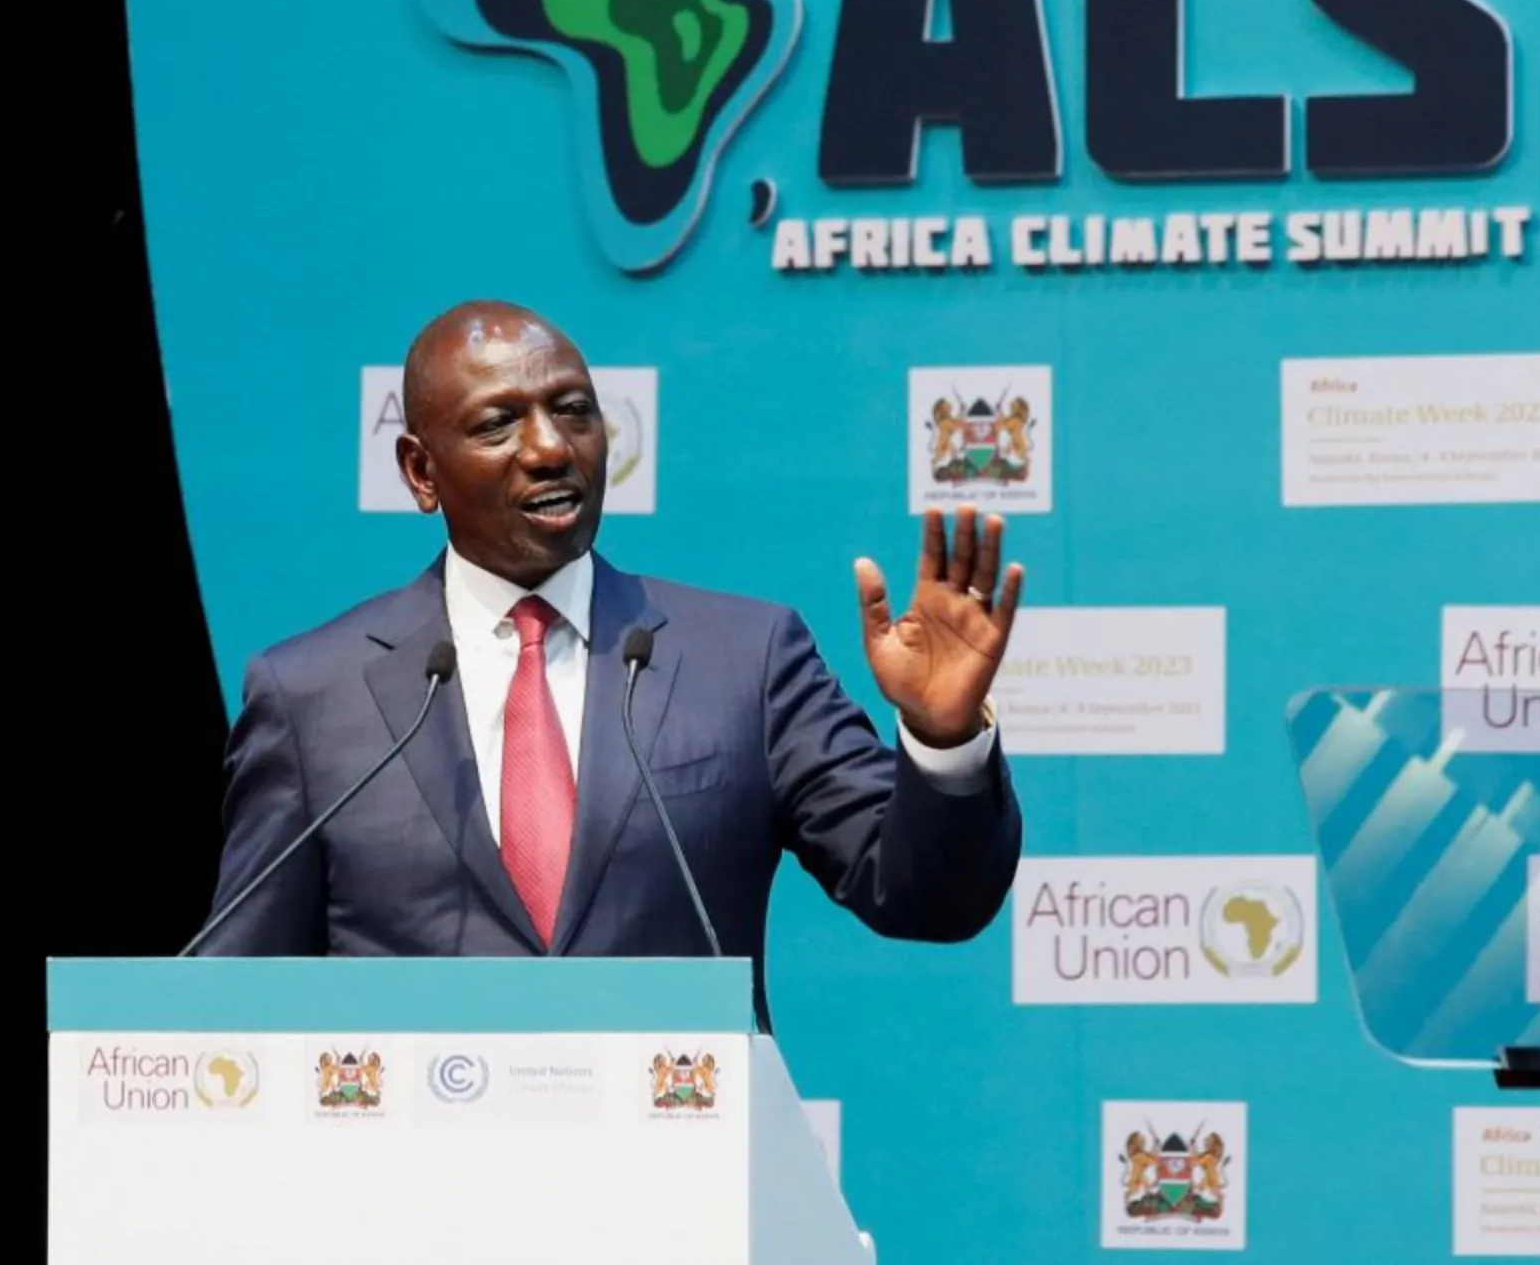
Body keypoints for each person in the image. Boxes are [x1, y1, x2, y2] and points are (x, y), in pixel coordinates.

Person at [195, 301, 1024, 1020]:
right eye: (497, 423)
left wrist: (941, 739)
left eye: (574, 411)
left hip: (681, 1178)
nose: (550, 448)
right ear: (421, 471)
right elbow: (234, 994)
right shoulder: (312, 694)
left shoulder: (744, 658)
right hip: (412, 1189)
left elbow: (930, 898)